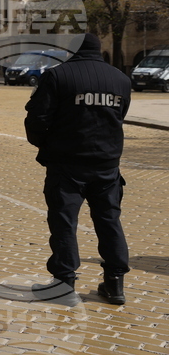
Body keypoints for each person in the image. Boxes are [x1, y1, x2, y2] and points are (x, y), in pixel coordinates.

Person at [25, 33, 132, 306]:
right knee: (109, 222)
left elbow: (37, 120)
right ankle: (115, 283)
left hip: (67, 164)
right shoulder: (120, 79)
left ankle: (64, 283)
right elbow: (120, 116)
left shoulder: (58, 76)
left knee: (63, 223)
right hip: (107, 165)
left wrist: (47, 145)